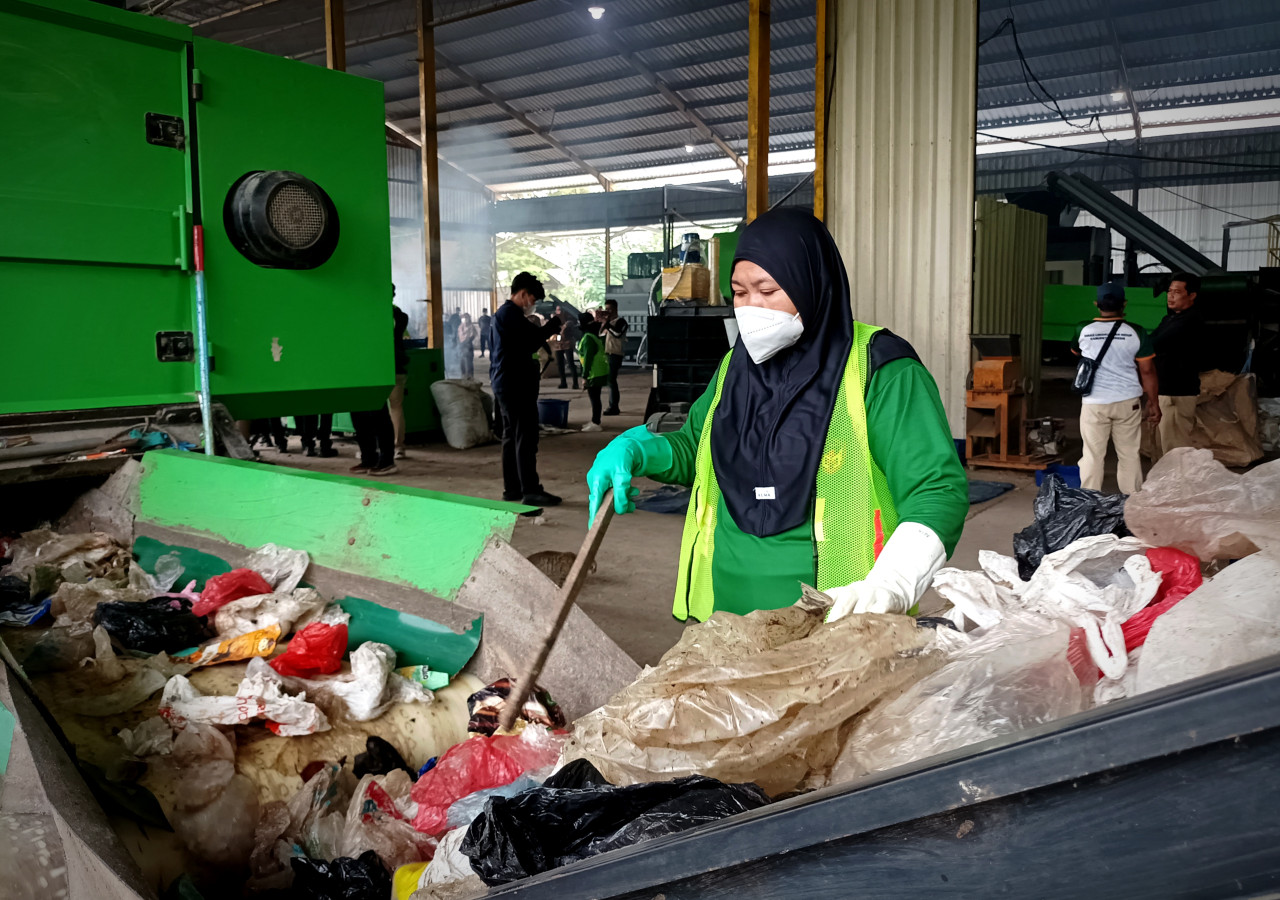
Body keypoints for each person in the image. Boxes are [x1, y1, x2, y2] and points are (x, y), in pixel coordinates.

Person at [585, 209, 968, 624]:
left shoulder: (879, 371)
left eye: (767, 291)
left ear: (810, 284)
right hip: (725, 621)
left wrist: (894, 581)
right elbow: (697, 448)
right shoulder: (735, 367)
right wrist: (637, 449)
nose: (751, 308)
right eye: (739, 292)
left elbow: (937, 489)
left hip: (836, 622)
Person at [1071, 282, 1160, 494]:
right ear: (1124, 304)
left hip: (1094, 403)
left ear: (1096, 304)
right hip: (1127, 402)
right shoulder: (1136, 332)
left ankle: (1089, 504)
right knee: (1129, 454)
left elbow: (1076, 353)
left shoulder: (1083, 329)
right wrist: (1154, 402)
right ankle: (1131, 504)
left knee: (1092, 455)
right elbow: (1147, 371)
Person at [491, 272, 563, 508]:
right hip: (515, 384)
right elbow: (531, 340)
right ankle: (530, 490)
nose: (532, 304)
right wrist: (552, 325)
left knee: (512, 436)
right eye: (532, 299)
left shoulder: (504, 315)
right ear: (522, 294)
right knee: (525, 436)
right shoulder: (510, 314)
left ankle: (512, 489)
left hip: (506, 382)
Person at [1151, 272, 1203, 458]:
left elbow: (1154, 343)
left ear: (1192, 295)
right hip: (1164, 389)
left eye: (1177, 292)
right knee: (1163, 444)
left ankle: (1179, 486)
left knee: (1176, 449)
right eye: (1169, 291)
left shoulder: (1191, 321)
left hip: (1177, 392)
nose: (1170, 295)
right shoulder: (1170, 319)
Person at [350, 293, 401, 476]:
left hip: (376, 370)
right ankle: (368, 458)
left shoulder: (393, 315)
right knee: (359, 417)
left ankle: (387, 460)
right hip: (358, 371)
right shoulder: (359, 316)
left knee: (379, 415)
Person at [577, 311, 608, 433]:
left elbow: (588, 358)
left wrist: (584, 376)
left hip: (593, 373)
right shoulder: (593, 335)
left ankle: (596, 422)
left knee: (594, 398)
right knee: (596, 397)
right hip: (598, 371)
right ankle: (595, 421)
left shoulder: (588, 338)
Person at [389, 304, 410, 459]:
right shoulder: (400, 316)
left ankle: (380, 447)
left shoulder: (374, 312)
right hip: (397, 366)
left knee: (376, 409)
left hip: (377, 367)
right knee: (396, 407)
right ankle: (398, 447)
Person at [601, 298, 629, 415]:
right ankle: (612, 405)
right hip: (607, 354)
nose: (607, 311)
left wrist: (607, 324)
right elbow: (599, 334)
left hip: (616, 354)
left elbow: (617, 334)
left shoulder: (621, 322)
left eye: (609, 309)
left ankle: (614, 406)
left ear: (615, 309)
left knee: (612, 381)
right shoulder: (608, 323)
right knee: (609, 381)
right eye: (605, 309)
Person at [556, 304, 580, 390]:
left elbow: (565, 331)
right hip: (559, 344)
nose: (557, 312)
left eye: (559, 310)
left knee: (570, 363)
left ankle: (575, 383)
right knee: (560, 364)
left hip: (567, 343)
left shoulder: (569, 322)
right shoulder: (557, 321)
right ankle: (563, 382)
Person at [456, 312, 478, 379]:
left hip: (468, 346)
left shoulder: (471, 326)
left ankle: (470, 375)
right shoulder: (460, 327)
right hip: (461, 346)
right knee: (462, 361)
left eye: (466, 318)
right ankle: (463, 374)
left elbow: (473, 335)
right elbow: (458, 337)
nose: (465, 319)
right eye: (463, 318)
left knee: (469, 361)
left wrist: (466, 342)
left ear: (469, 318)